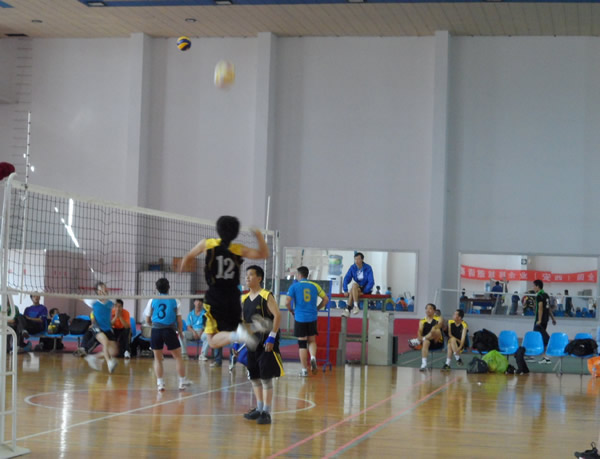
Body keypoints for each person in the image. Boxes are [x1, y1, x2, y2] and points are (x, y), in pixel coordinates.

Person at [178, 216, 270, 354]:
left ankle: (240, 335)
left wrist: (182, 268)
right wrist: (258, 235)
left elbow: (188, 257)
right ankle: (254, 327)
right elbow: (264, 253)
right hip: (233, 296)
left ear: (218, 229)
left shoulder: (207, 244)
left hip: (215, 296)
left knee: (212, 341)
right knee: (233, 328)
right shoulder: (238, 249)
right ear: (235, 233)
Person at [242, 265, 283, 425]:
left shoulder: (266, 295)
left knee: (266, 378)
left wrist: (272, 337)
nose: (247, 277)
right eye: (246, 275)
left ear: (259, 278)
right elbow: (244, 322)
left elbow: (277, 315)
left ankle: (266, 411)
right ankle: (259, 408)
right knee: (254, 376)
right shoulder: (244, 298)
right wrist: (239, 342)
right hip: (251, 342)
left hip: (266, 342)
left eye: (251, 275)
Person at [144, 278, 191, 391]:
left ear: (156, 288)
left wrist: (153, 325)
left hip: (156, 330)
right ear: (168, 287)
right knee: (178, 357)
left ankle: (160, 384)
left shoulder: (152, 300)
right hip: (169, 331)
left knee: (157, 359)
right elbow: (179, 320)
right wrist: (180, 332)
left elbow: (147, 319)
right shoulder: (175, 300)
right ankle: (182, 382)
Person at [285, 266, 328, 377]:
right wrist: (318, 308)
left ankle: (304, 370)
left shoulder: (294, 286)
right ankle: (313, 357)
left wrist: (291, 310)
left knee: (302, 344)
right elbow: (326, 299)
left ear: (299, 275)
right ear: (307, 275)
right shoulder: (315, 286)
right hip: (312, 317)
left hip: (300, 317)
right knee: (312, 340)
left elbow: (287, 302)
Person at [83, 282, 120, 373]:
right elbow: (80, 298)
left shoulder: (111, 301)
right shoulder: (93, 301)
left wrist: (117, 311)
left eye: (104, 288)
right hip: (97, 327)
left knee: (114, 351)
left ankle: (93, 357)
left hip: (107, 328)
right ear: (98, 291)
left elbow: (116, 306)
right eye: (101, 289)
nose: (103, 290)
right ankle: (109, 363)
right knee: (105, 342)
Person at [408, 303, 444, 371]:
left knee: (436, 330)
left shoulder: (439, 318)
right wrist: (419, 336)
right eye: (427, 308)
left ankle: (418, 341)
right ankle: (424, 364)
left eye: (430, 308)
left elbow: (440, 325)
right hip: (427, 342)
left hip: (437, 341)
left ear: (434, 310)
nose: (428, 310)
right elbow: (420, 330)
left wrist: (434, 327)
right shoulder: (422, 321)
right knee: (425, 342)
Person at [341, 252, 374, 317]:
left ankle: (348, 309)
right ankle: (356, 306)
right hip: (357, 288)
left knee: (352, 291)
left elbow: (371, 282)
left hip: (366, 288)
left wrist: (364, 291)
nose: (356, 261)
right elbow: (346, 278)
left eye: (358, 259)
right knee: (354, 285)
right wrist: (345, 289)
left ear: (362, 259)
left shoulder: (368, 268)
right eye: (355, 259)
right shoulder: (353, 267)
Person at [532, 279, 557, 364]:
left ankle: (544, 356)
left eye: (534, 286)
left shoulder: (539, 296)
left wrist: (539, 320)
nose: (533, 287)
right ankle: (543, 356)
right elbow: (548, 308)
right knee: (541, 338)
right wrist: (553, 318)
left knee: (537, 338)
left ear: (538, 286)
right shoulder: (546, 295)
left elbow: (540, 308)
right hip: (545, 320)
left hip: (540, 321)